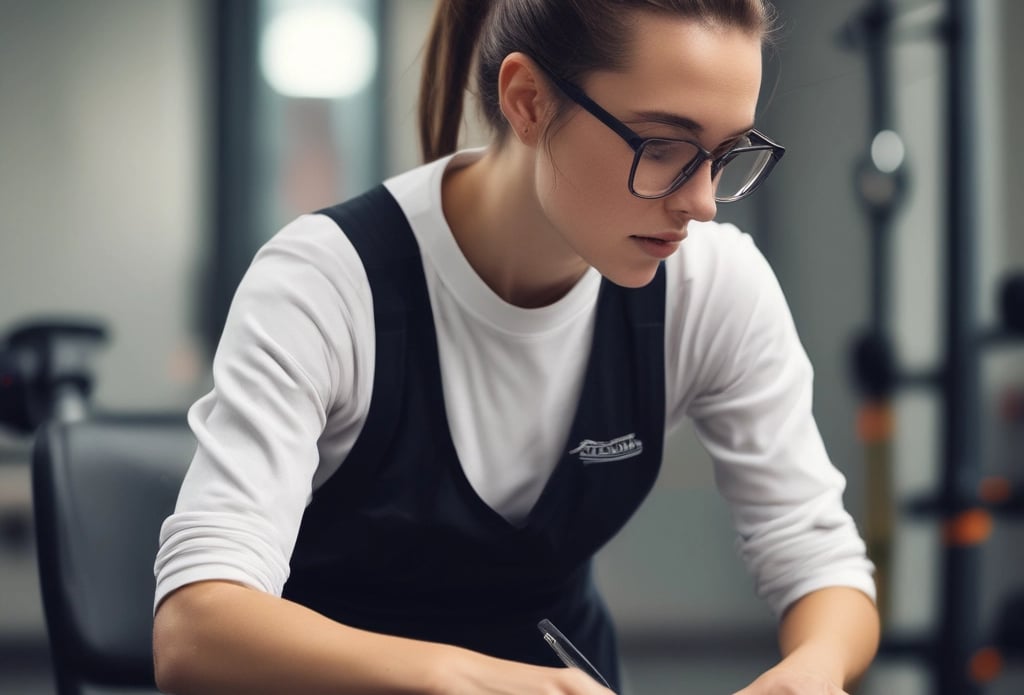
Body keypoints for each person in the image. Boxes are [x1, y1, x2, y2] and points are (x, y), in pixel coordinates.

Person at [152, 1, 880, 693]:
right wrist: (457, 676)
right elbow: (195, 628)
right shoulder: (328, 284)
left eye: (724, 154)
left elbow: (823, 565)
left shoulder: (711, 288)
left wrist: (812, 671)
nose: (702, 202)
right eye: (665, 147)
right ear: (528, 100)